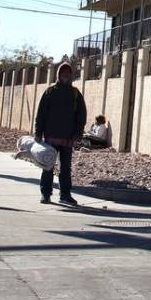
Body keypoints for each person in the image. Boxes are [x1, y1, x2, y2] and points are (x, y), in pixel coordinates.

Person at [34, 62, 86, 206]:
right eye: (63, 73)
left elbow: (81, 116)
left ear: (71, 76)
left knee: (65, 169)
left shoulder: (75, 94)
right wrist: (38, 132)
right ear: (58, 75)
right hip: (50, 137)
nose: (65, 75)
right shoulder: (50, 92)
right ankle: (45, 194)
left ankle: (65, 195)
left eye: (68, 73)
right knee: (48, 166)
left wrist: (78, 135)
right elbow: (41, 114)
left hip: (68, 139)